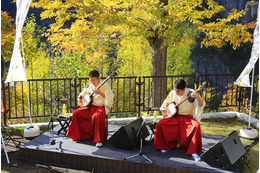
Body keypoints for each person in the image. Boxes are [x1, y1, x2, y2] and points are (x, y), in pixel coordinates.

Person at [153, 79, 206, 161]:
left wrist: (198, 97)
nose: (176, 92)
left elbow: (200, 105)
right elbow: (165, 103)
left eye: (178, 90)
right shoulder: (172, 93)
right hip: (175, 116)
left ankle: (193, 151)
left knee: (196, 126)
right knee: (161, 124)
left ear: (183, 89)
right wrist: (162, 108)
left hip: (187, 118)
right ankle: (165, 146)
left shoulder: (190, 93)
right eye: (175, 89)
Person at [67, 70, 114, 147]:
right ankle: (78, 136)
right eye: (90, 80)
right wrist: (80, 98)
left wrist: (100, 93)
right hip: (90, 106)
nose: (92, 82)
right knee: (77, 113)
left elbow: (110, 97)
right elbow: (83, 93)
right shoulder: (89, 84)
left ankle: (99, 140)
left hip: (100, 107)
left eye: (93, 80)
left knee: (97, 116)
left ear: (98, 78)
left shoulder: (105, 85)